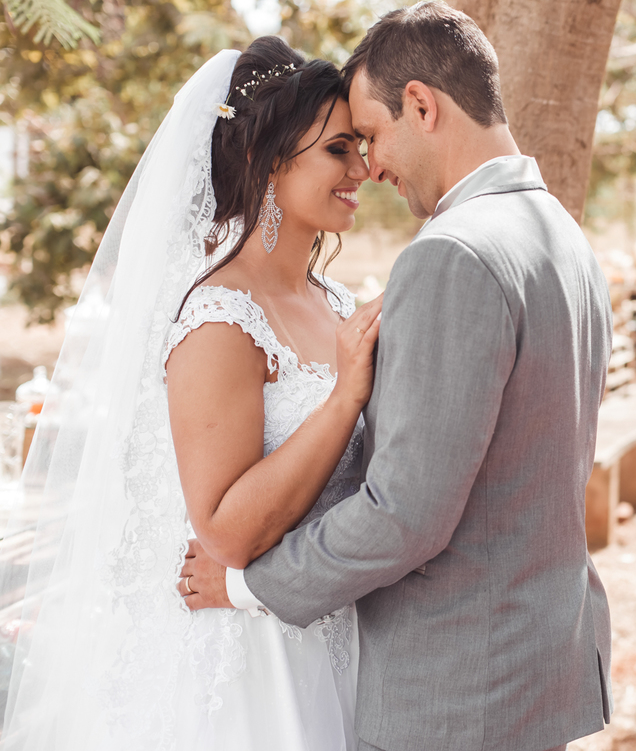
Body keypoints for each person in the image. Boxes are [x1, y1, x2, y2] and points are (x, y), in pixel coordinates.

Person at [181, 2, 614, 751]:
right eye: (344, 148)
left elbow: (406, 512)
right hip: (533, 669)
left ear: (422, 105)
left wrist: (246, 588)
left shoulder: (453, 255)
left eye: (372, 138)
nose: (369, 167)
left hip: (454, 694)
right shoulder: (561, 236)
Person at [0, 37, 379, 750]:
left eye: (360, 147)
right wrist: (343, 401)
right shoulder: (218, 316)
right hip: (248, 668)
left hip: (334, 633)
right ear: (271, 160)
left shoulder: (334, 301)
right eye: (338, 150)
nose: (362, 168)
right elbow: (224, 530)